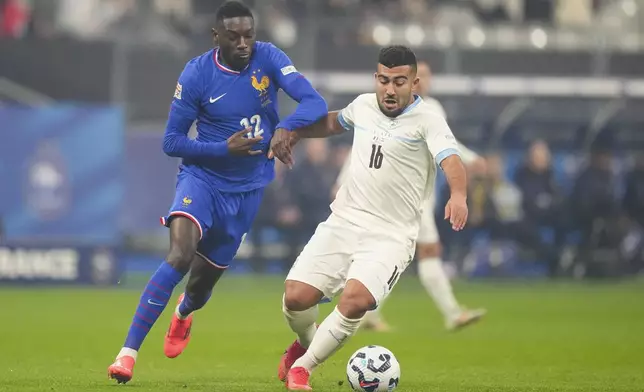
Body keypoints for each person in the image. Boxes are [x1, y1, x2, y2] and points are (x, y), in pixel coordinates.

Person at [107, 1, 328, 384]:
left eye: (249, 35)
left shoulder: (269, 57)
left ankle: (184, 313)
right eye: (234, 36)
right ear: (216, 37)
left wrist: (285, 128)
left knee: (200, 286)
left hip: (247, 190)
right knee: (180, 254)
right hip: (202, 179)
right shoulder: (196, 74)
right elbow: (172, 141)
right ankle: (127, 354)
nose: (244, 43)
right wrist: (222, 149)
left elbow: (315, 102)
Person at [270, 45, 469, 391]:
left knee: (355, 299)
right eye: (384, 80)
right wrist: (296, 132)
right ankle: (305, 342)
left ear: (414, 83)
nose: (390, 89)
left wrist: (459, 194)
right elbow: (334, 122)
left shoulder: (429, 120)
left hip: (391, 236)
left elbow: (451, 160)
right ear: (376, 79)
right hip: (344, 221)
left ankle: (303, 367)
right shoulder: (363, 105)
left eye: (399, 82)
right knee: (295, 297)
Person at [332, 60, 486, 332]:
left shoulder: (432, 110)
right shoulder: (384, 108)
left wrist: (470, 159)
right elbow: (367, 148)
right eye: (419, 76)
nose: (422, 81)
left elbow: (449, 144)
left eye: (426, 76)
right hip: (405, 200)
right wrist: (342, 180)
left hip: (418, 196)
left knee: (397, 257)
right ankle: (450, 313)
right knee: (421, 252)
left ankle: (368, 313)